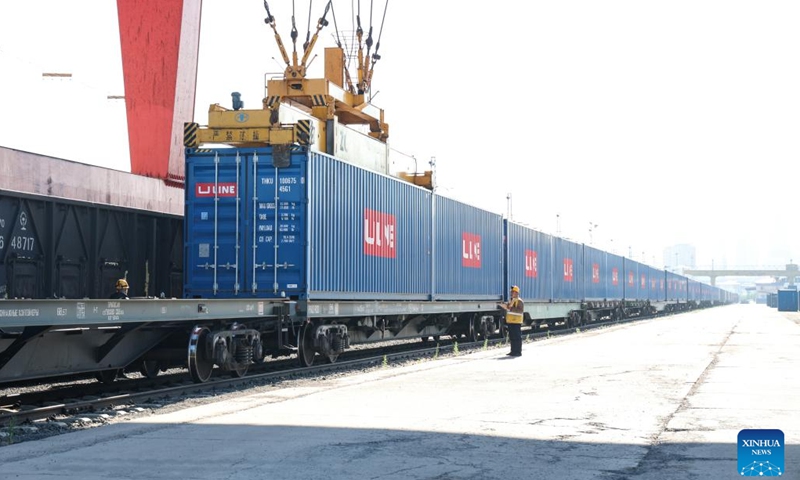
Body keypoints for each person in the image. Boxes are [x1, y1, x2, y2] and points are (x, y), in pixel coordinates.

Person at [498, 285, 524, 356]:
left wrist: (510, 308)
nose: (511, 293)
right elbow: (509, 307)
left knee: (517, 337)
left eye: (512, 292)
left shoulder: (519, 301)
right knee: (512, 337)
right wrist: (505, 306)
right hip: (511, 321)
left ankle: (518, 352)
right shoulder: (511, 300)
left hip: (516, 322)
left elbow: (520, 310)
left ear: (516, 292)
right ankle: (513, 351)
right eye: (511, 292)